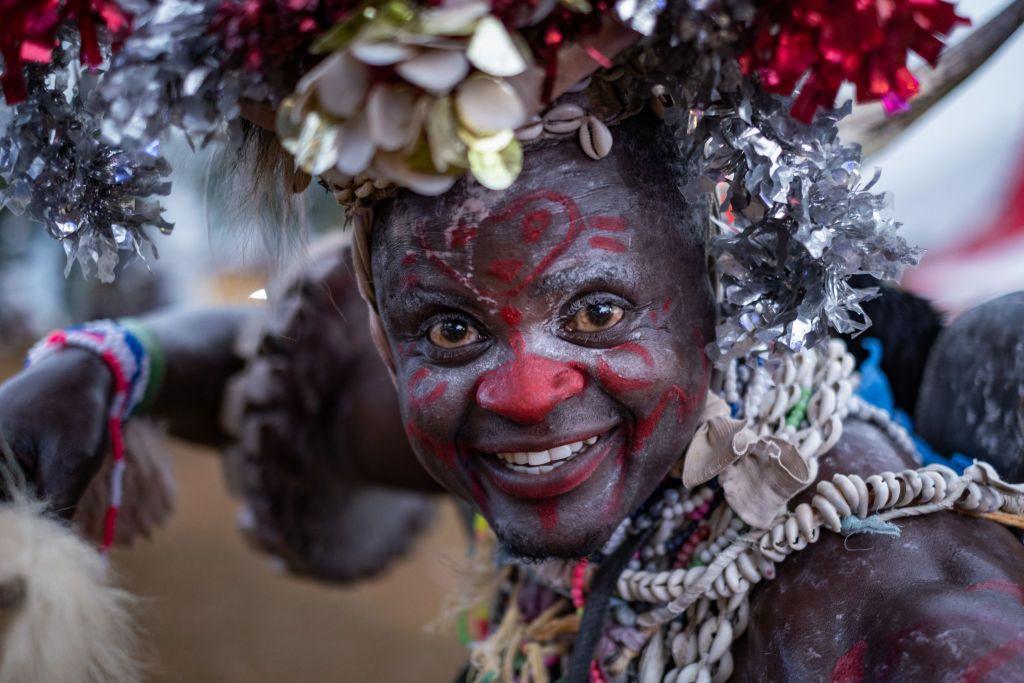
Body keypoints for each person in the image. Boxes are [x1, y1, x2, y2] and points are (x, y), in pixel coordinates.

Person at [3, 1, 1024, 681]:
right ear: (389, 326)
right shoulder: (561, 443)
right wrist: (103, 363)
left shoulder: (896, 622)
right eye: (448, 327)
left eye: (596, 313)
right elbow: (266, 366)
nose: (528, 390)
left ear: (720, 292)